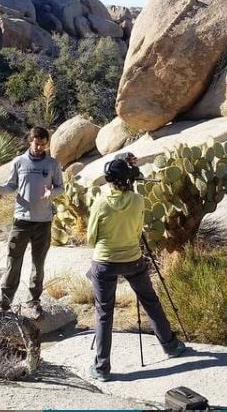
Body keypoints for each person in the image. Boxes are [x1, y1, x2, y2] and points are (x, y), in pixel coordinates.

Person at [86, 154, 186, 381]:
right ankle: (170, 346)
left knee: (104, 313)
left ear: (109, 180)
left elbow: (91, 239)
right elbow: (139, 229)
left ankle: (102, 369)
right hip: (133, 258)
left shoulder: (100, 203)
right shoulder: (139, 200)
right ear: (129, 179)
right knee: (150, 301)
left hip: (105, 261)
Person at [0, 126, 64, 319]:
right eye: (37, 144)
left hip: (43, 222)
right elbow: (12, 186)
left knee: (38, 264)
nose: (40, 148)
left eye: (44, 144)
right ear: (30, 141)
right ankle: (4, 305)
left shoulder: (52, 164)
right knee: (13, 261)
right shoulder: (19, 162)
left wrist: (51, 193)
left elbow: (61, 187)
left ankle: (34, 303)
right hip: (21, 221)